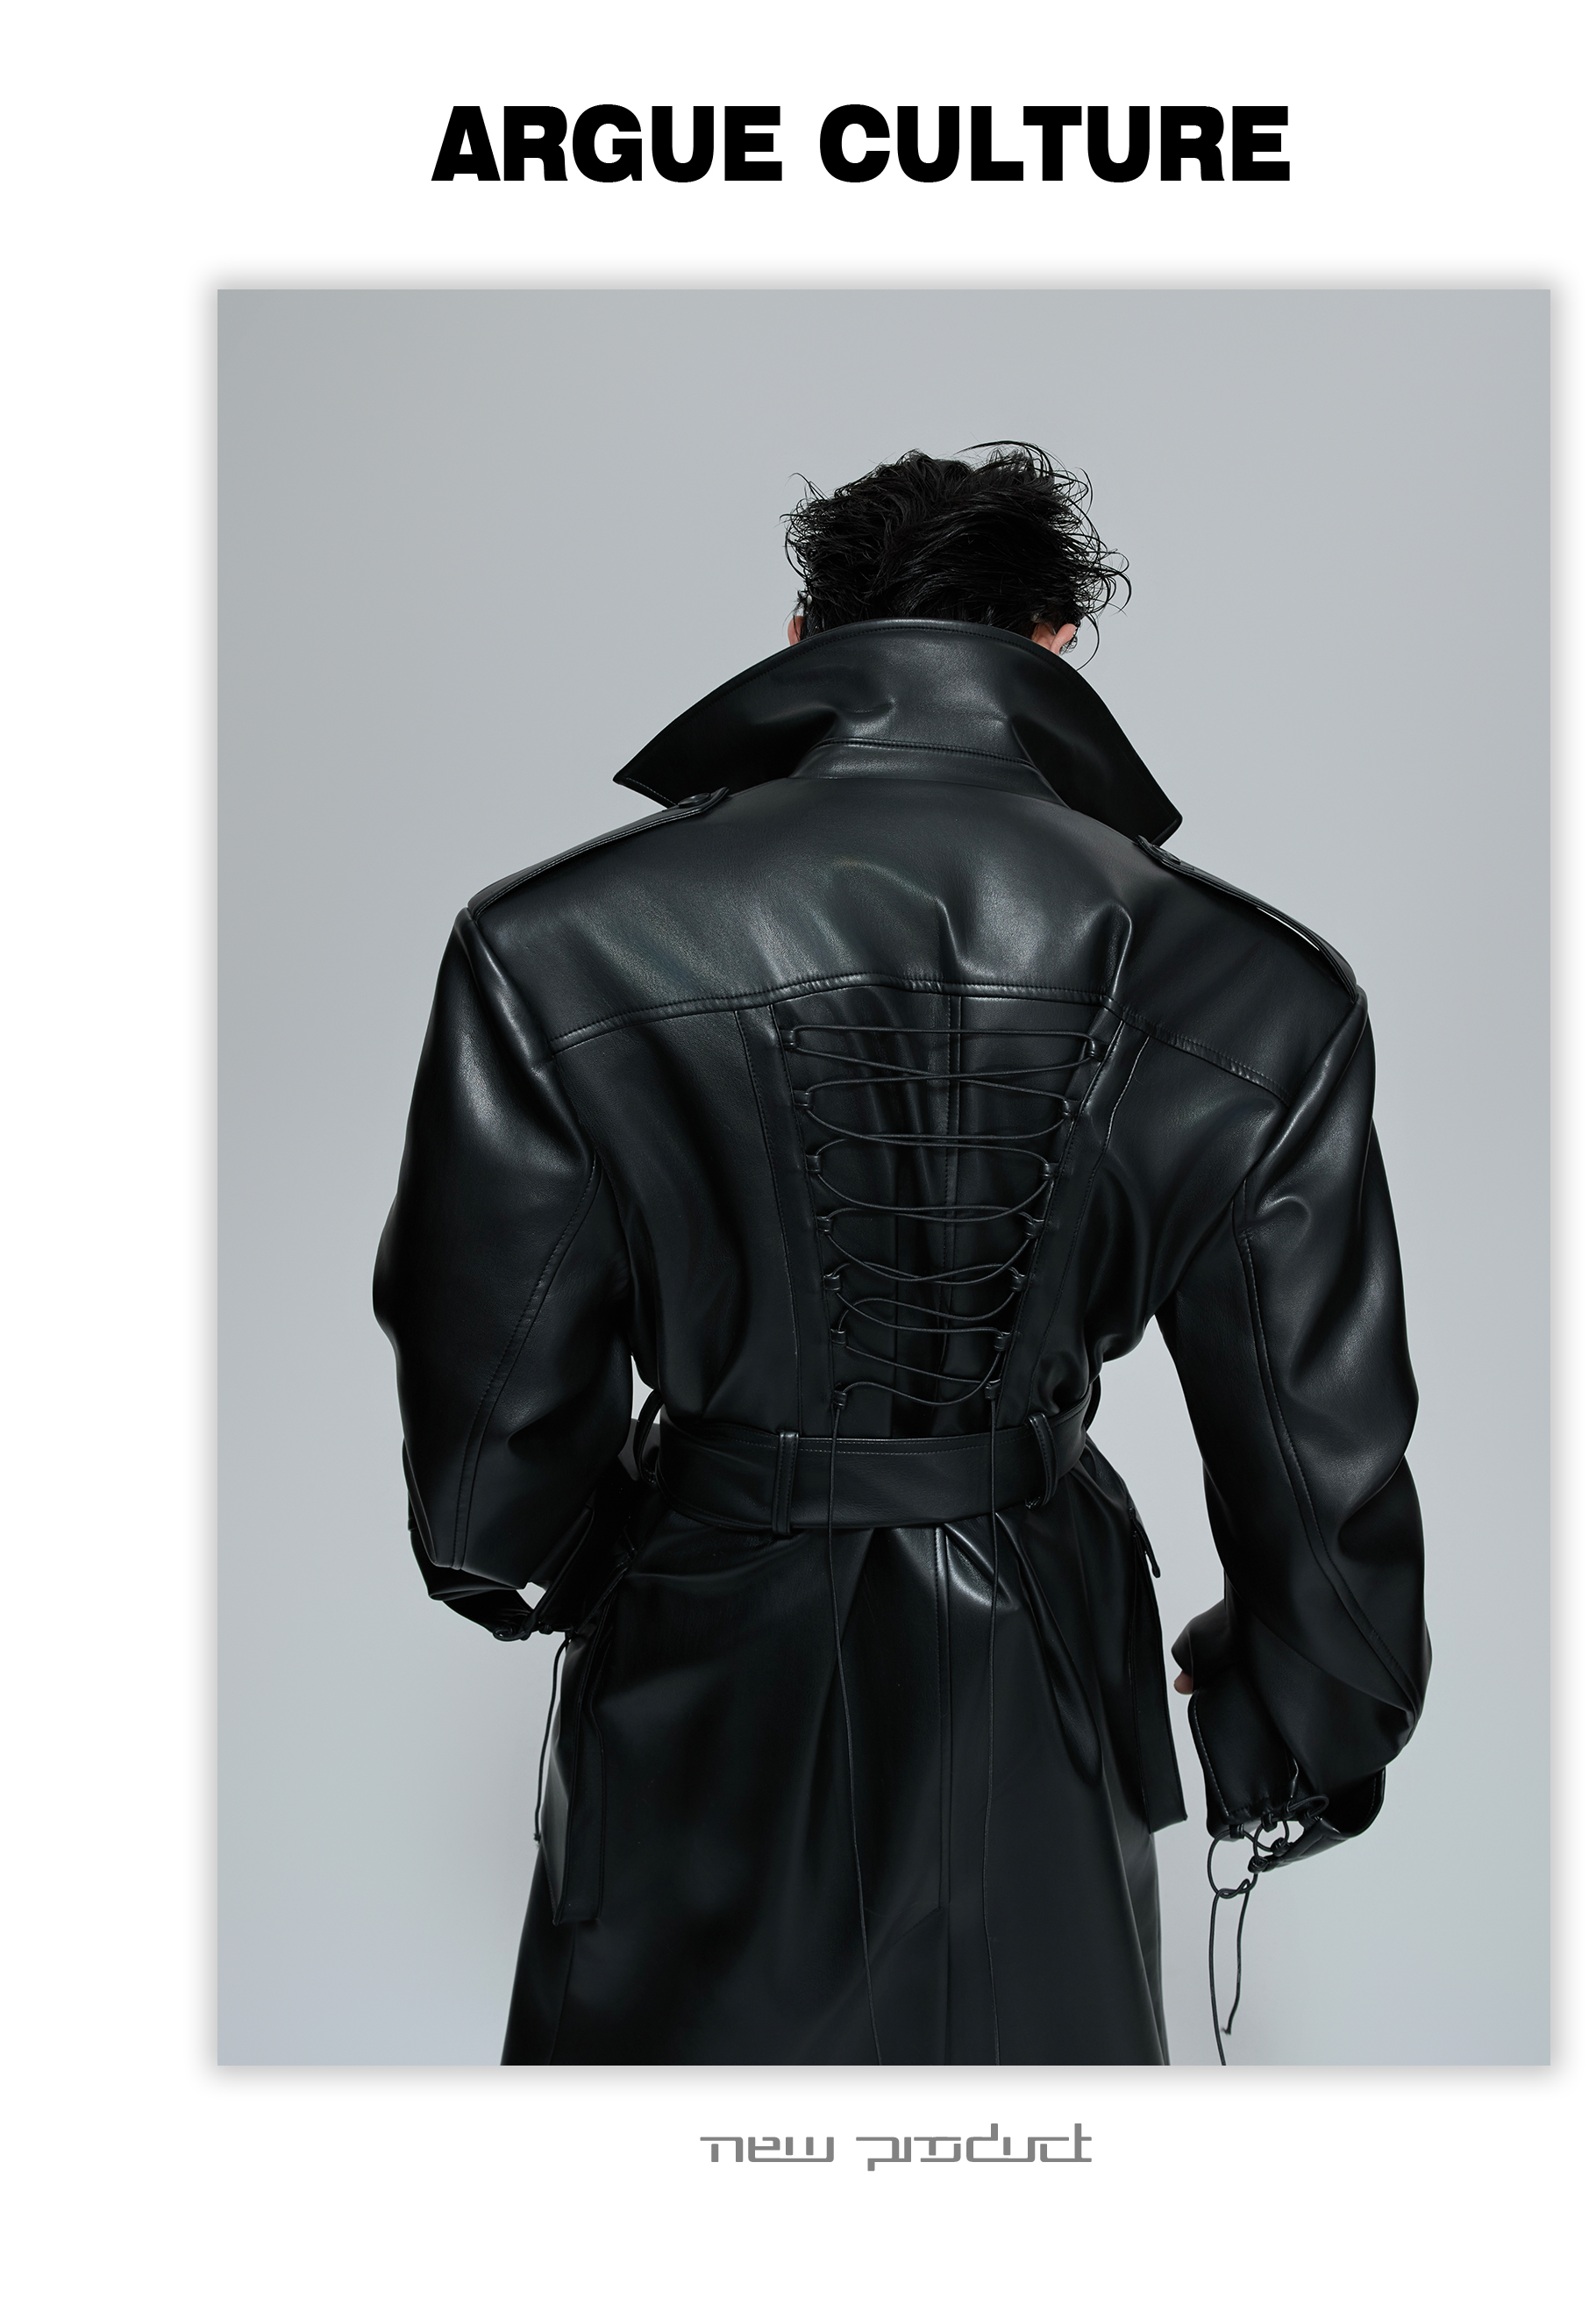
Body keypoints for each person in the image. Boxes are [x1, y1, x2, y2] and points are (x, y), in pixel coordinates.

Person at [373, 444, 1430, 2064]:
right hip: (1042, 1670)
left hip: (702, 1644)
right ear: (1058, 646)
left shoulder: (552, 943)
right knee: (1021, 2159)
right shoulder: (1248, 981)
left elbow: (487, 1426)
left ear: (805, 634)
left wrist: (581, 1561)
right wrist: (1300, 1725)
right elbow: (1317, 1442)